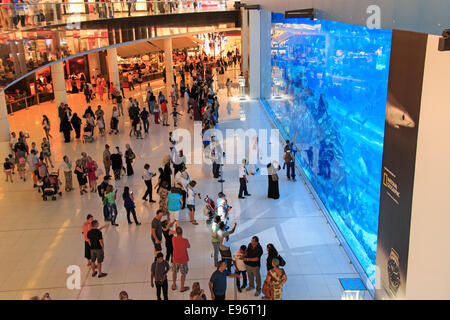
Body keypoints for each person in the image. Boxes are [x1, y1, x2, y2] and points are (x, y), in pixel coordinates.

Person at [172, 227, 190, 292]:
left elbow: (172, 233)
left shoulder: (173, 239)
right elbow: (188, 246)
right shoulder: (185, 240)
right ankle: (182, 287)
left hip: (175, 259)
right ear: (182, 232)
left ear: (176, 233)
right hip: (183, 260)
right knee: (183, 274)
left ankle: (174, 285)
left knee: (174, 272)